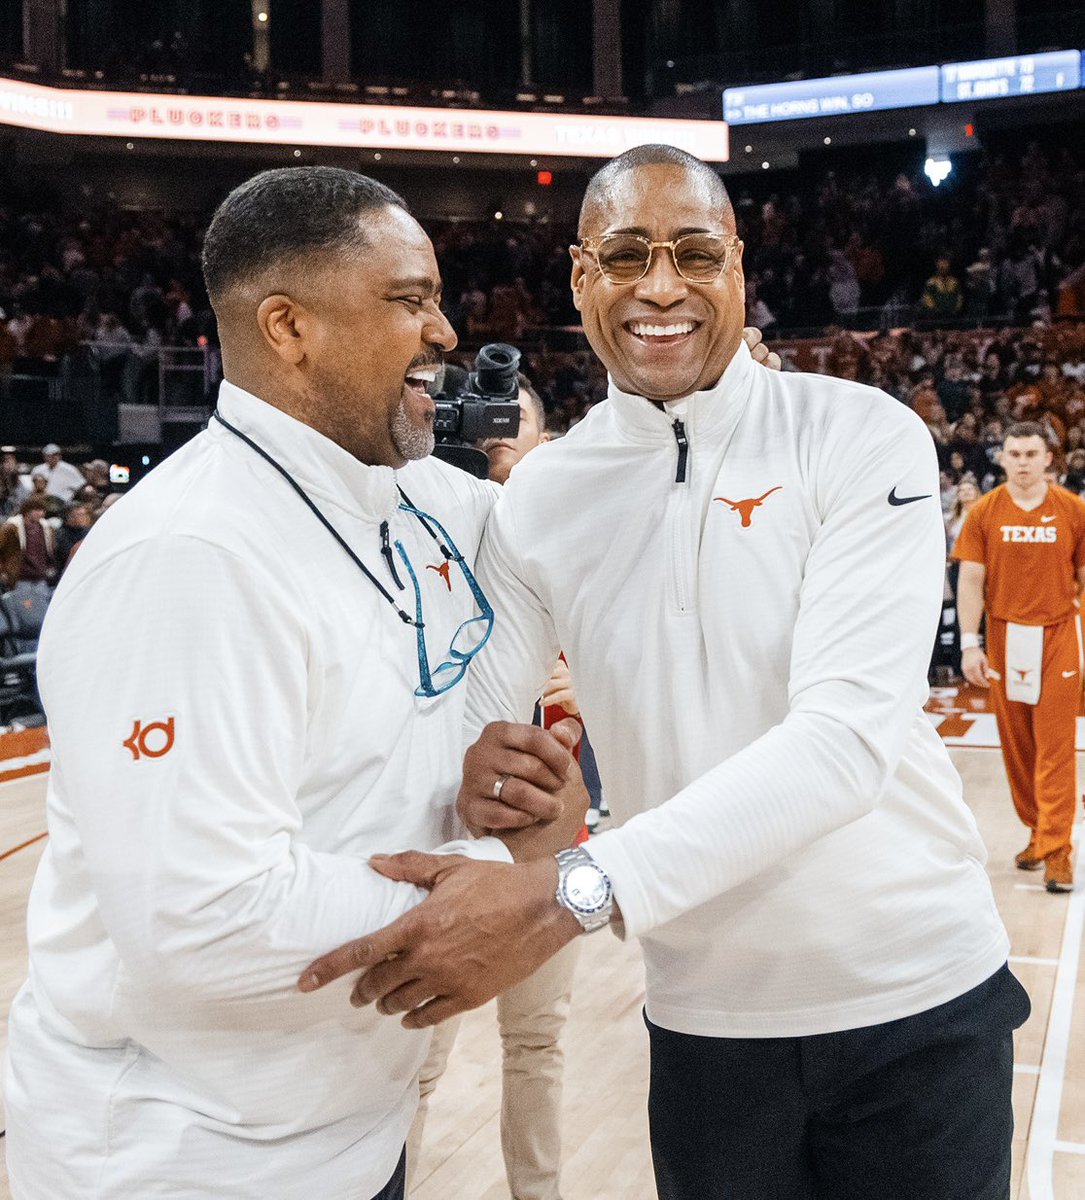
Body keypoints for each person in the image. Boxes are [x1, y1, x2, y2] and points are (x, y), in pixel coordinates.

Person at [302, 145, 1026, 1200]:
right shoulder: (541, 498)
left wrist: (568, 891)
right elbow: (468, 740)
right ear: (577, 275)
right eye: (626, 254)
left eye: (694, 253)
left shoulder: (859, 435)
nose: (659, 286)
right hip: (702, 1025)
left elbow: (843, 745)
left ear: (737, 264)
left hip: (914, 1004)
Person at [4, 166, 589, 1200]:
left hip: (352, 1131)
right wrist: (501, 886)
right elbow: (206, 919)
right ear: (289, 328)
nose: (446, 332)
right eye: (409, 301)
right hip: (180, 1161)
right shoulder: (188, 555)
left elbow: (579, 518)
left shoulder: (416, 501)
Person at [408, 372, 581, 1200]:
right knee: (413, 1052)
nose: (491, 433)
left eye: (511, 422)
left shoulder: (574, 537)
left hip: (541, 832)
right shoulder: (410, 532)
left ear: (547, 444)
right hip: (433, 826)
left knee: (538, 1044)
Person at [952, 422, 1085, 894]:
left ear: (1049, 458)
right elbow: (970, 580)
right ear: (1002, 458)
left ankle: (1058, 851)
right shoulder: (985, 512)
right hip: (1004, 635)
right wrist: (970, 643)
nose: (1024, 462)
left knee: (1054, 746)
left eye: (1032, 453)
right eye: (1015, 454)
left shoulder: (1072, 509)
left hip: (1057, 636)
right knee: (1019, 748)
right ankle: (1037, 831)